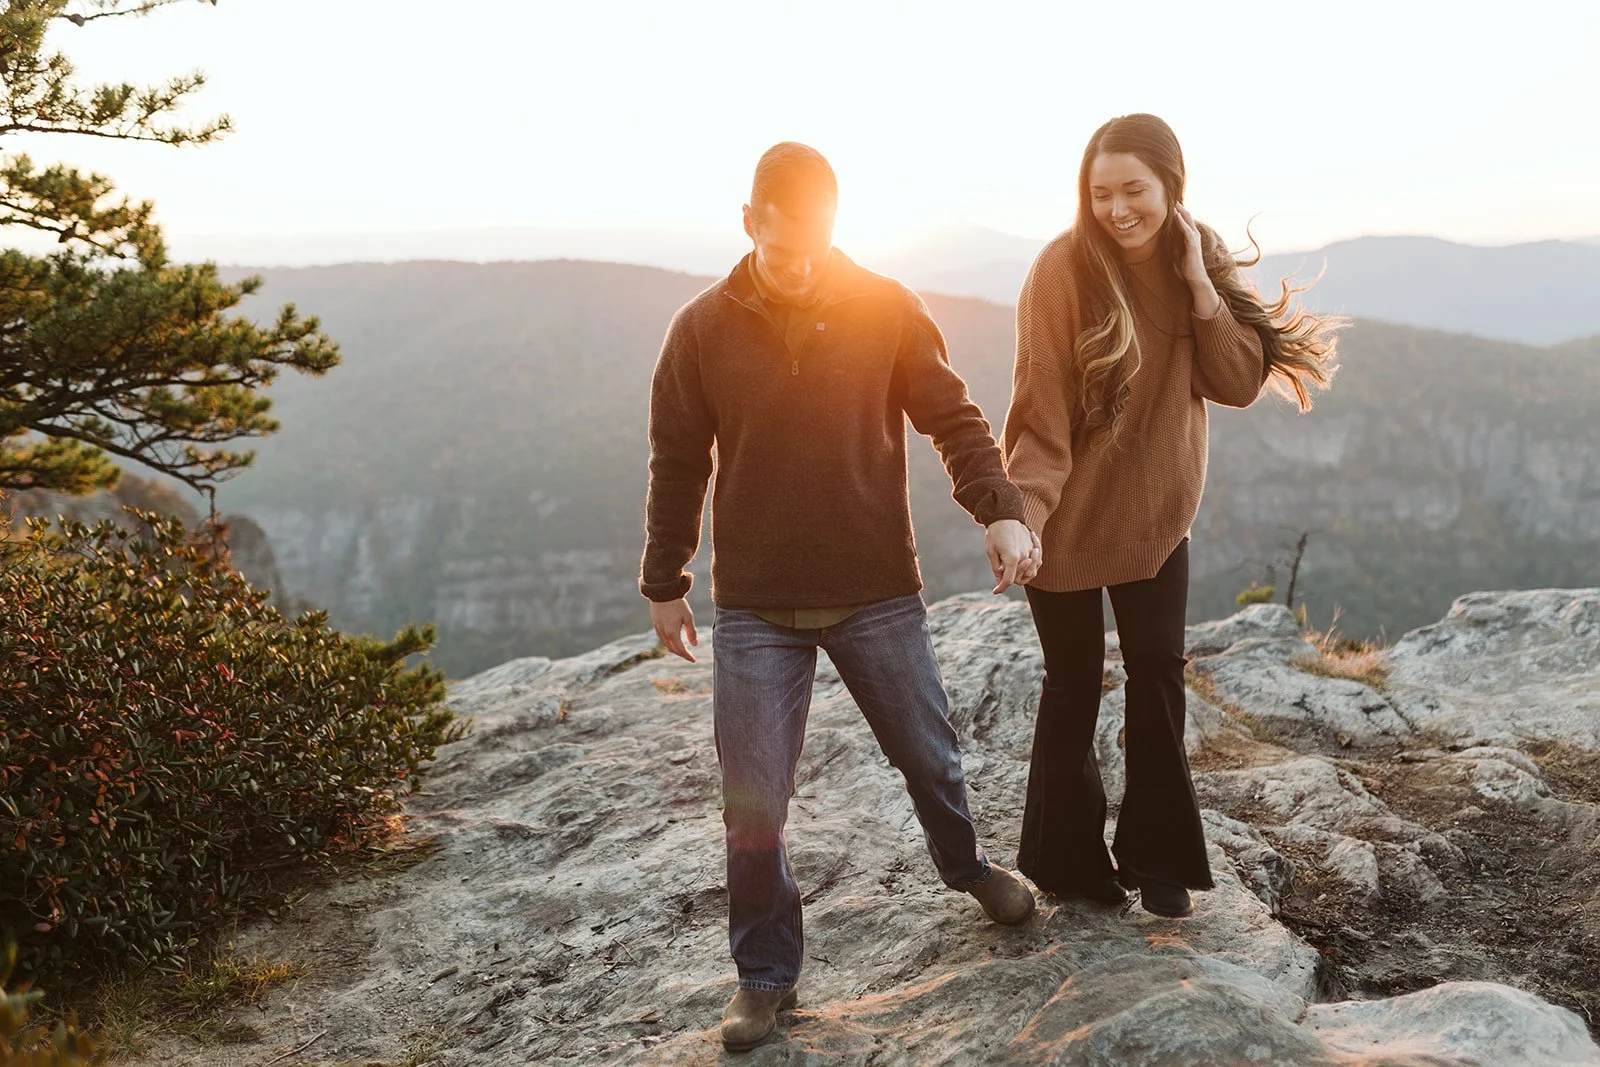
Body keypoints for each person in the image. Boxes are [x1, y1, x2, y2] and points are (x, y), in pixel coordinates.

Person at [640, 141, 1042, 1052]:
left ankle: (970, 868)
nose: (803, 261)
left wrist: (1001, 510)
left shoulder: (886, 307)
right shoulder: (699, 329)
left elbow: (954, 419)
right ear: (750, 224)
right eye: (785, 246)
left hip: (874, 590)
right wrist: (665, 580)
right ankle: (764, 976)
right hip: (755, 607)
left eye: (819, 242)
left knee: (930, 757)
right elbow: (676, 462)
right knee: (755, 801)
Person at [1000, 113, 1343, 919]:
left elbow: (1234, 380)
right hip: (1066, 524)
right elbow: (1038, 413)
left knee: (1156, 674)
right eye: (1101, 194)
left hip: (1155, 517)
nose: (1118, 210)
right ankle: (1069, 863)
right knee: (1074, 682)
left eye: (1134, 191)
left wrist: (1196, 283)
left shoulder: (1201, 249)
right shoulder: (1060, 271)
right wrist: (1023, 517)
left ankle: (1159, 860)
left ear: (1171, 188)